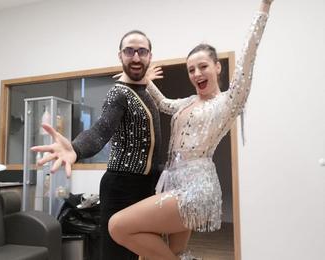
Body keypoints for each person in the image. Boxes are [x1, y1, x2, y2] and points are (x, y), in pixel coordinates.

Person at [108, 1, 274, 259]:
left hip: (197, 189)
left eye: (203, 66)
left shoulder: (228, 102)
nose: (197, 73)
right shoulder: (187, 102)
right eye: (191, 69)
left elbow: (248, 56)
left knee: (117, 226)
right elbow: (163, 104)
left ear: (217, 67)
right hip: (172, 183)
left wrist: (264, 7)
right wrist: (141, 79)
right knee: (165, 253)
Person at [31, 30, 162, 260]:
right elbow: (100, 130)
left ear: (150, 56)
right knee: (117, 255)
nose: (135, 57)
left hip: (145, 187)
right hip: (122, 189)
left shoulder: (143, 89)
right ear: (119, 55)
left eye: (142, 51)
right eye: (129, 51)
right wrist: (76, 148)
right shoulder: (118, 94)